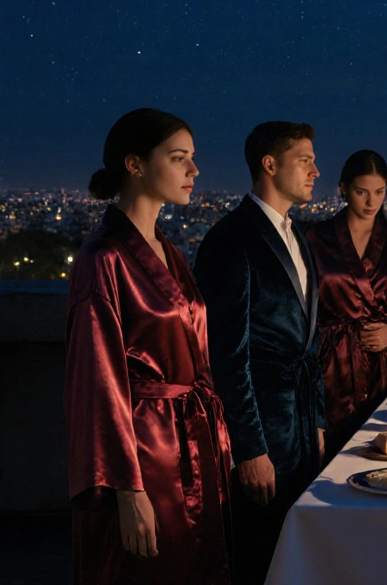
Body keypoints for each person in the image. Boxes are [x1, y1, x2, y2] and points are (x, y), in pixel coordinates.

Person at [64, 108, 231, 584]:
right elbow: (97, 385)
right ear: (134, 164)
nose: (194, 172)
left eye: (193, 159)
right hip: (144, 458)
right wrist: (125, 489)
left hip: (192, 447)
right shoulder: (103, 258)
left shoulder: (170, 251)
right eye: (179, 158)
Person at [193, 122, 325, 585]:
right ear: (270, 165)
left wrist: (319, 421)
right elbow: (226, 356)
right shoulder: (231, 240)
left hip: (301, 430)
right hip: (264, 440)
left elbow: (310, 341)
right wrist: (249, 450)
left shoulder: (298, 237)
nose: (316, 170)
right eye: (304, 160)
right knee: (261, 556)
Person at [304, 149, 387, 459]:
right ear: (343, 189)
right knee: (331, 461)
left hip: (385, 369)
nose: (371, 202)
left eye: (379, 192)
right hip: (331, 370)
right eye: (361, 192)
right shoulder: (314, 238)